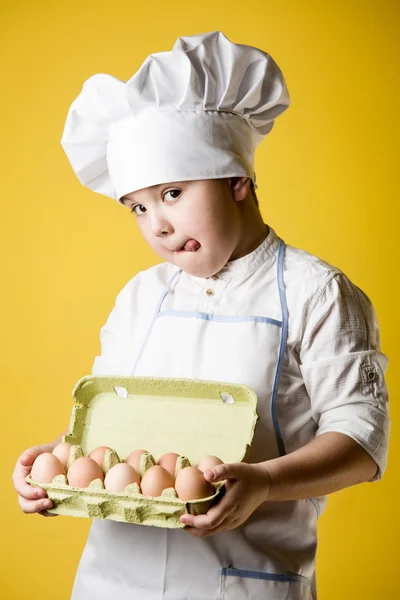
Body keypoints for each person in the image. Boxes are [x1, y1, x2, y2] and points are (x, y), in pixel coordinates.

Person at [12, 31, 390, 600]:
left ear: (237, 179)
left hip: (240, 584)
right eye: (138, 207)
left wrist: (263, 481)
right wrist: (60, 466)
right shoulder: (140, 296)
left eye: (172, 193)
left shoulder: (318, 292)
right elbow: (112, 438)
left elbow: (362, 441)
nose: (157, 225)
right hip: (112, 583)